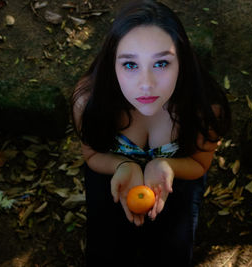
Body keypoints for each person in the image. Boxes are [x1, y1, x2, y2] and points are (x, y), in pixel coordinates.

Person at [71, 0, 231, 266]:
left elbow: (199, 164)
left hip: (176, 179)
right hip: (111, 177)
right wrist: (123, 165)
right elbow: (92, 157)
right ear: (113, 64)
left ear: (182, 62)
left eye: (161, 64)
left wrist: (165, 164)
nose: (146, 84)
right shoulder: (89, 102)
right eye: (130, 65)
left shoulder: (206, 108)